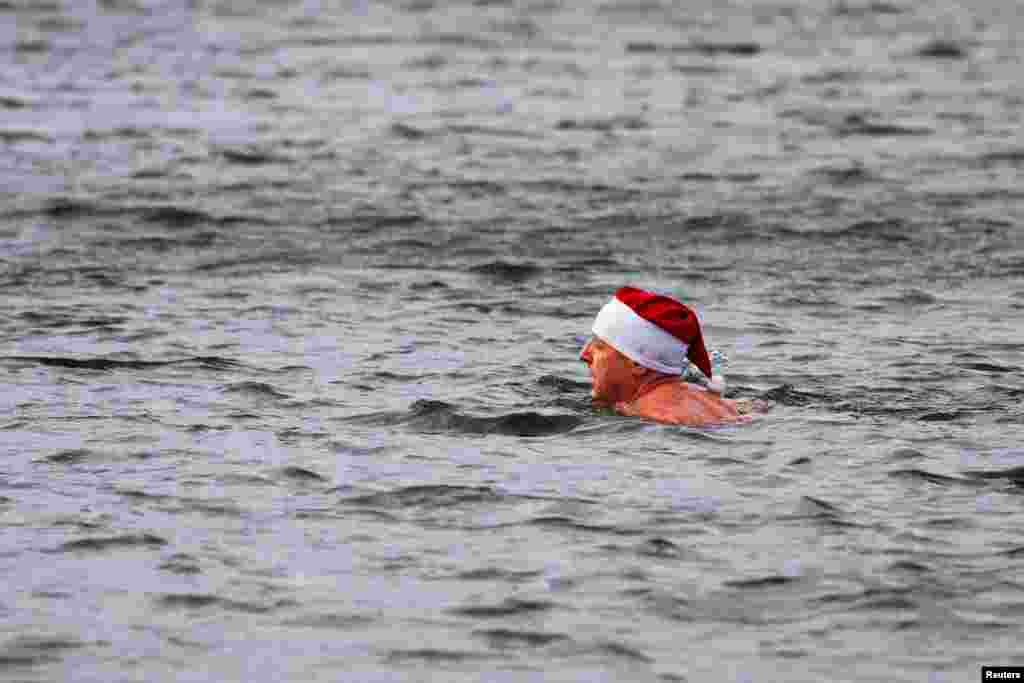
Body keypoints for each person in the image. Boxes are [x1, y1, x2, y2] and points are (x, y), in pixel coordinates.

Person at [579, 286, 765, 427]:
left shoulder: (652, 415)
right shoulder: (718, 402)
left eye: (599, 347)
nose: (584, 355)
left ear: (637, 363)